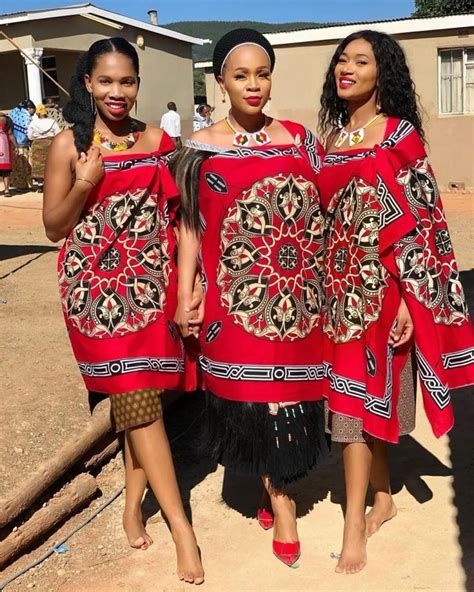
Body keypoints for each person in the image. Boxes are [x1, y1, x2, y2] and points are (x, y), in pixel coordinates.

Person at [43, 37, 204, 585]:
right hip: (95, 297)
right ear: (87, 83)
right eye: (106, 81)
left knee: (142, 402)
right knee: (136, 398)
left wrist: (186, 290)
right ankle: (183, 527)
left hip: (149, 290)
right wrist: (87, 179)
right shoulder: (69, 144)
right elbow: (53, 227)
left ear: (137, 84)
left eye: (127, 81)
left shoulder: (159, 141)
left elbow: (186, 219)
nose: (117, 92)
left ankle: (132, 504)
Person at [317, 29, 474, 574]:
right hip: (338, 293)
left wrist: (411, 299)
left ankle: (353, 524)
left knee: (356, 406)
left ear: (382, 73)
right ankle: (383, 498)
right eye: (342, 60)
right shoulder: (333, 140)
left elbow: (423, 223)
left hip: (384, 293)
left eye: (360, 61)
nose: (347, 68)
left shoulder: (398, 135)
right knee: (364, 400)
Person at [170, 28, 329, 568]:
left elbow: (320, 211)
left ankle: (271, 486)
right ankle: (283, 503)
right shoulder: (198, 147)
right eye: (241, 75)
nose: (254, 85)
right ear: (220, 81)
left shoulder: (300, 139)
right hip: (234, 298)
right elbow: (189, 224)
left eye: (262, 74)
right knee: (254, 400)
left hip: (294, 295)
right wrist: (186, 289)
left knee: (288, 399)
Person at [28, 104, 61, 192]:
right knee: (51, 163)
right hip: (51, 144)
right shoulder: (52, 122)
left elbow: (30, 136)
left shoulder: (33, 123)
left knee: (38, 165)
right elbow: (58, 133)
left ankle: (40, 185)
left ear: (37, 114)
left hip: (37, 145)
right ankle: (50, 184)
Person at [9, 100, 35, 191]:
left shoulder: (13, 113)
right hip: (23, 144)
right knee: (26, 165)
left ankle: (19, 184)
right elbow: (29, 132)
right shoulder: (26, 116)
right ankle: (26, 184)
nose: (33, 114)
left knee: (18, 165)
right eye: (33, 111)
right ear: (29, 108)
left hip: (13, 144)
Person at [0, 113, 17, 197]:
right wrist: (16, 146)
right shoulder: (6, 122)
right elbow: (10, 135)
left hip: (4, 147)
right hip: (4, 147)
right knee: (5, 171)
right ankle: (6, 190)